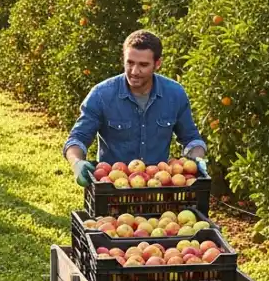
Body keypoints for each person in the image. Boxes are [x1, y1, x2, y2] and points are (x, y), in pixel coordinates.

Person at [63, 30, 208, 185]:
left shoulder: (174, 94)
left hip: (157, 185)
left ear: (157, 64)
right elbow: (77, 139)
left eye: (143, 65)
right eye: (130, 62)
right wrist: (77, 163)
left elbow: (191, 139)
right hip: (112, 187)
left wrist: (196, 159)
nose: (134, 71)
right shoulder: (102, 95)